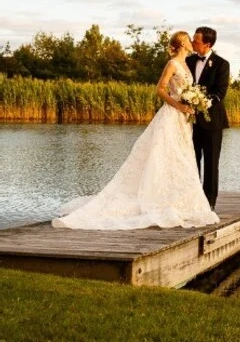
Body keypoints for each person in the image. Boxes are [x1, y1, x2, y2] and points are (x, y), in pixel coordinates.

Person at [51, 32, 219, 230]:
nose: (192, 42)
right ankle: (156, 200)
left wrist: (191, 103)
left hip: (184, 121)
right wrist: (178, 105)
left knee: (180, 157)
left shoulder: (186, 64)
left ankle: (176, 200)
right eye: (188, 39)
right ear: (182, 43)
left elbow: (190, 89)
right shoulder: (172, 63)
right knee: (163, 155)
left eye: (194, 39)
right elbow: (160, 89)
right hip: (172, 116)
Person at [187, 26, 230, 210]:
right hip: (189, 122)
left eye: (196, 40)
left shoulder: (221, 64)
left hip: (212, 122)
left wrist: (198, 100)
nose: (192, 42)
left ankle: (209, 204)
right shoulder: (187, 61)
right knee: (191, 162)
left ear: (207, 43)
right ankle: (193, 200)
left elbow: (220, 93)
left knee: (211, 165)